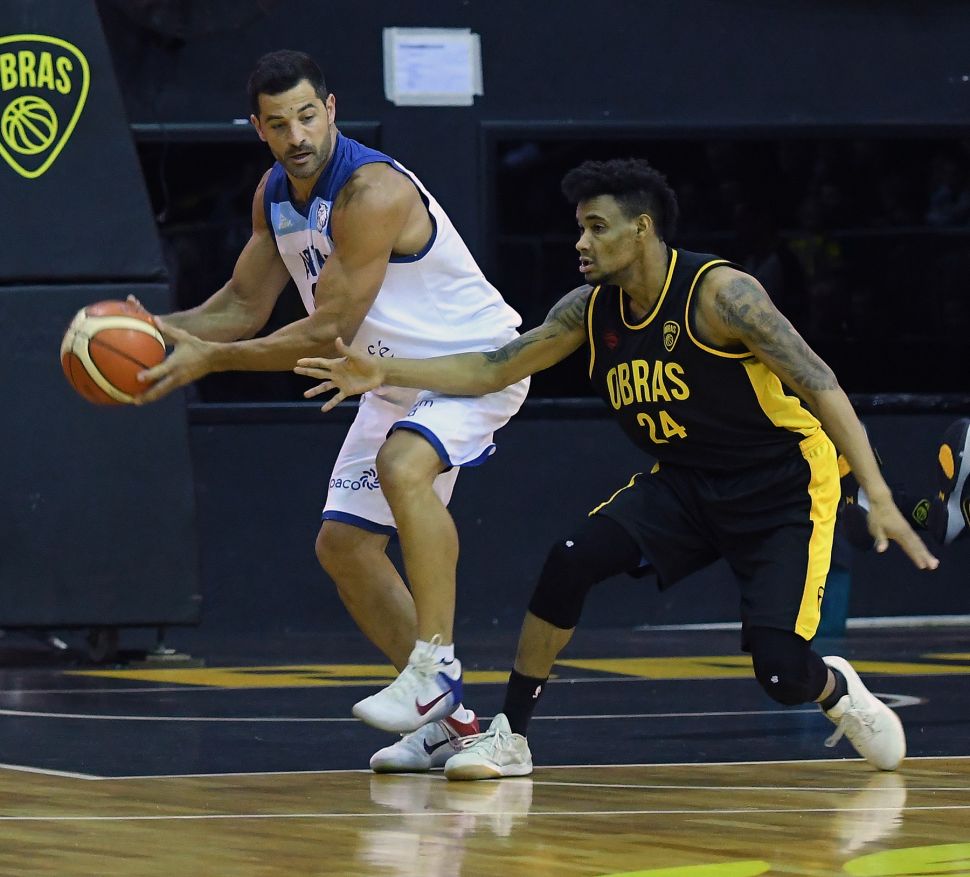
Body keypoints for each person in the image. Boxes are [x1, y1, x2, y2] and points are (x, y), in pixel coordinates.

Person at [295, 157, 941, 780]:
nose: (581, 241)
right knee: (570, 560)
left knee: (780, 671)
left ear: (642, 230)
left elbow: (820, 381)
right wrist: (385, 370)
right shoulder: (589, 308)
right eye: (579, 226)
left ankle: (834, 689)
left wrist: (878, 493)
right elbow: (494, 367)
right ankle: (510, 734)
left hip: (782, 485)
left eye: (596, 227)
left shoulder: (722, 295)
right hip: (687, 480)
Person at [132, 50, 530, 770]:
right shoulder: (273, 194)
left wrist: (211, 359)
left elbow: (325, 330)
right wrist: (153, 332)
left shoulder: (371, 192)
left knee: (403, 464)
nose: (297, 136)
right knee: (342, 546)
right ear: (258, 127)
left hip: (469, 365)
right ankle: (458, 727)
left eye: (308, 116)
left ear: (332, 109)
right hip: (382, 377)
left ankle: (435, 662)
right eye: (279, 123)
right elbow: (242, 304)